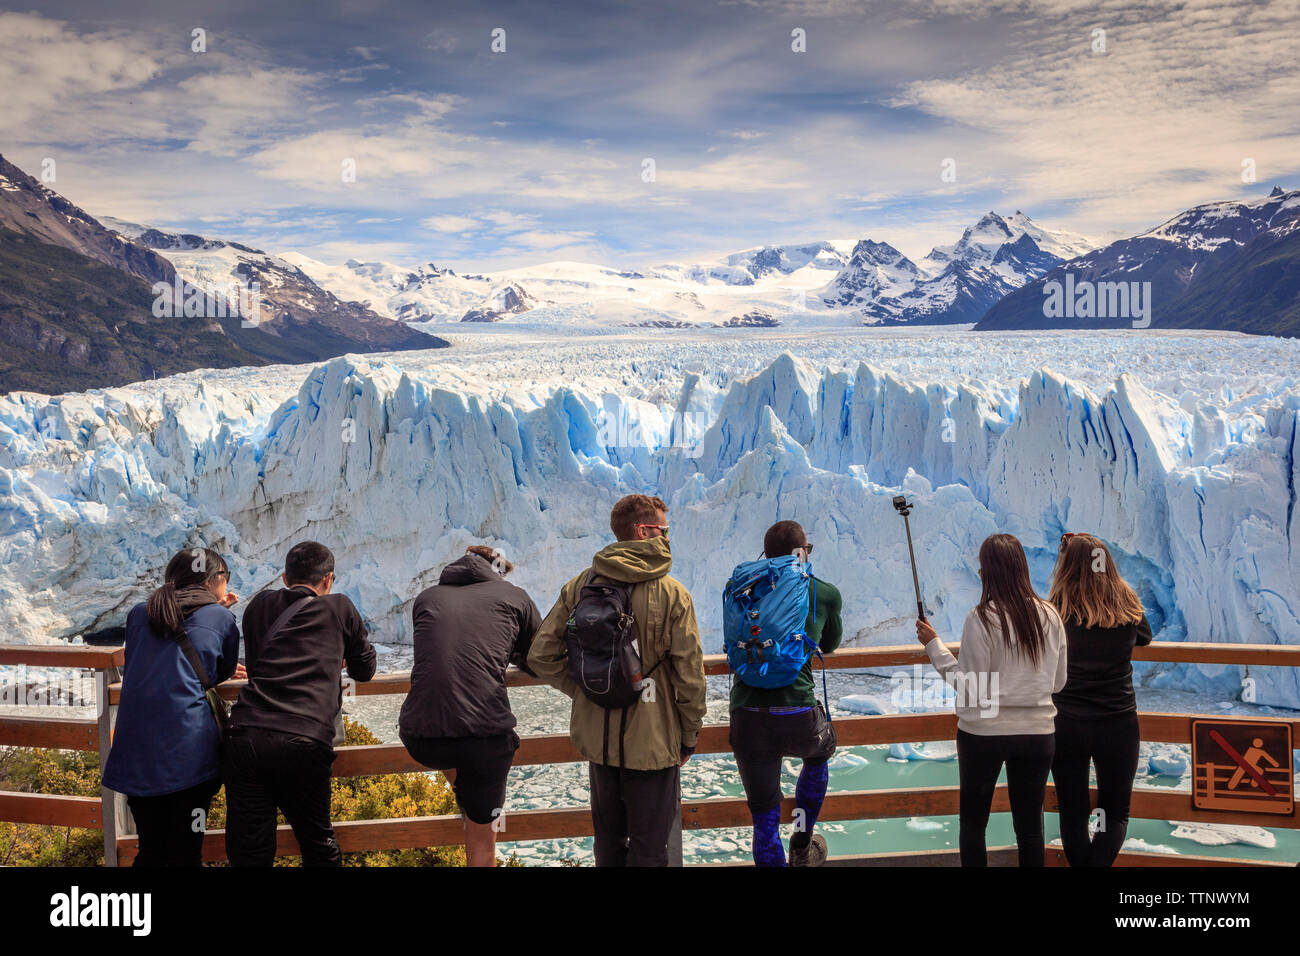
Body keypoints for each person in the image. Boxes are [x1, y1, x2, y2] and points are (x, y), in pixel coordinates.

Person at [527, 493, 707, 867]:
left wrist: (584, 688)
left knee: (608, 846)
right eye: (664, 529)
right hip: (653, 745)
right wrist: (688, 736)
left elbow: (540, 655)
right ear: (645, 531)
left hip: (598, 743)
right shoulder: (674, 595)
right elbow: (690, 676)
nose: (669, 537)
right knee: (650, 849)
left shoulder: (580, 586)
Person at [916, 533, 1066, 867]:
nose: (980, 574)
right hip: (1037, 734)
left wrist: (934, 646)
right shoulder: (1051, 616)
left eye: (983, 568)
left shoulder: (982, 618)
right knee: (1030, 828)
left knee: (973, 824)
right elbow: (1058, 681)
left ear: (990, 572)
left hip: (983, 735)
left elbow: (971, 687)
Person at [223, 541, 376, 866]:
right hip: (304, 739)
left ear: (284, 577)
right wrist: (336, 659)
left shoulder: (258, 606)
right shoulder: (340, 607)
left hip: (246, 735)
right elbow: (366, 669)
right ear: (328, 580)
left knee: (249, 850)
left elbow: (261, 662)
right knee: (318, 843)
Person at [399, 545, 542, 866]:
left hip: (421, 737)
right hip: (483, 738)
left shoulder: (427, 598)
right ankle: (474, 807)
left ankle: (467, 799)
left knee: (463, 774)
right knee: (482, 841)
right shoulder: (514, 596)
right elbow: (539, 657)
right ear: (499, 570)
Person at [103, 547, 243, 867]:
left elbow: (153, 652)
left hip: (137, 755)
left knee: (150, 850)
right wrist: (217, 612)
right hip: (189, 758)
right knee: (186, 850)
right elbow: (218, 673)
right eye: (225, 576)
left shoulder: (139, 613)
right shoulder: (221, 618)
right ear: (213, 580)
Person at [728, 520, 842, 867]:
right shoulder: (822, 592)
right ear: (802, 552)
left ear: (766, 556)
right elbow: (831, 643)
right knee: (819, 756)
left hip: (748, 715)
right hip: (797, 714)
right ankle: (803, 838)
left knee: (764, 817)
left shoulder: (740, 587)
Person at [1048, 531, 1151, 867]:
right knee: (1114, 811)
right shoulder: (1127, 603)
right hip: (1118, 724)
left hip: (1067, 723)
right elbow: (1145, 637)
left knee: (1073, 811)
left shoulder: (1057, 610)